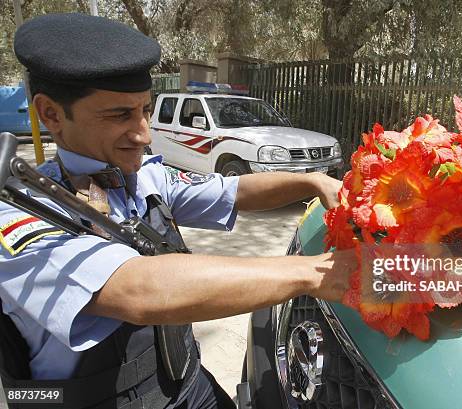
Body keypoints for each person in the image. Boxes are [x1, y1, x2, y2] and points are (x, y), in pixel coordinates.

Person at [0, 13, 355, 409]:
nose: (144, 133)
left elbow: (233, 190)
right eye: (119, 115)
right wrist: (318, 272)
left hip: (186, 383)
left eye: (145, 111)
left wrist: (314, 182)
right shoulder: (22, 214)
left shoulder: (145, 176)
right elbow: (136, 289)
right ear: (50, 114)